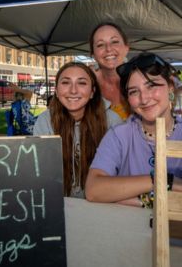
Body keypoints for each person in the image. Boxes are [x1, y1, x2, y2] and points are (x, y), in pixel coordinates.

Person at [85, 53, 182, 207]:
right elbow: (94, 190)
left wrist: (127, 197)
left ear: (170, 86)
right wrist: (163, 180)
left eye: (151, 85)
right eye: (133, 91)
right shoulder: (118, 135)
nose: (144, 99)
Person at [33, 62, 122, 198]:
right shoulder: (44, 122)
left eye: (81, 83)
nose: (73, 90)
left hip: (102, 203)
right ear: (56, 91)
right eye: (65, 83)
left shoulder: (112, 122)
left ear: (92, 92)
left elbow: (120, 173)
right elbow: (40, 173)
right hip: (59, 203)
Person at [90, 22, 131, 120]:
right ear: (93, 55)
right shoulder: (87, 85)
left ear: (126, 48)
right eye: (100, 45)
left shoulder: (141, 81)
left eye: (114, 42)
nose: (108, 49)